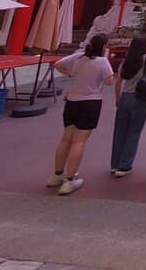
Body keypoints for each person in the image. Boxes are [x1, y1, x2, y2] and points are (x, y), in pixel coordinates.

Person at [48, 33, 114, 195]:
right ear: (104, 47)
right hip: (90, 103)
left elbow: (57, 64)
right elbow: (109, 81)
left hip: (71, 102)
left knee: (66, 139)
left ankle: (57, 175)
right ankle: (69, 179)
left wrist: (70, 74)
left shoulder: (77, 58)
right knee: (79, 142)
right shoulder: (102, 62)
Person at [110, 36, 146, 177]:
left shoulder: (126, 61)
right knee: (133, 132)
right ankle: (124, 165)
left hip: (125, 96)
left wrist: (117, 98)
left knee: (119, 132)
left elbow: (118, 81)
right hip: (140, 98)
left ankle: (114, 164)